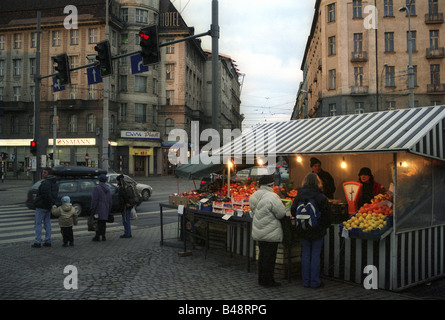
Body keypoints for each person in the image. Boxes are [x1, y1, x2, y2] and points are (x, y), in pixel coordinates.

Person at [291, 173, 331, 288]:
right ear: (318, 182)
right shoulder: (320, 196)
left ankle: (305, 281)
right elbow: (327, 215)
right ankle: (314, 281)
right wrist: (322, 225)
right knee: (315, 255)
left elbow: (293, 211)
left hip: (303, 230)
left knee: (305, 254)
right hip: (317, 230)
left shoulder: (299, 195)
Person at [249, 174, 286, 287]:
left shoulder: (253, 196)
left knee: (262, 255)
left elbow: (254, 210)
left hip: (259, 229)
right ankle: (268, 280)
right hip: (271, 231)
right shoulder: (273, 197)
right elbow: (281, 214)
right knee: (270, 258)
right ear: (271, 184)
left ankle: (261, 279)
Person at [32, 167, 58, 248]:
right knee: (47, 223)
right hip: (48, 206)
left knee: (38, 223)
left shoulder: (46, 183)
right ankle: (48, 240)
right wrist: (51, 204)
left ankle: (37, 241)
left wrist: (38, 200)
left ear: (48, 174)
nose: (43, 174)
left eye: (44, 172)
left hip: (42, 206)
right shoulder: (54, 183)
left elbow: (46, 195)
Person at [91, 174, 112, 241]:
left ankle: (97, 236)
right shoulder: (108, 188)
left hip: (98, 208)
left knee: (98, 223)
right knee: (103, 223)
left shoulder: (97, 188)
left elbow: (94, 200)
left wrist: (93, 208)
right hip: (106, 208)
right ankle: (103, 236)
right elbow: (110, 200)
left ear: (99, 180)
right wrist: (109, 208)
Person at [116, 174, 133, 238]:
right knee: (127, 220)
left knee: (125, 220)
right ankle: (128, 232)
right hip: (127, 206)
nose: (116, 182)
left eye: (117, 180)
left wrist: (127, 203)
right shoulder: (125, 187)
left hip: (125, 206)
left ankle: (127, 233)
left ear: (119, 181)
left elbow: (124, 197)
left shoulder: (121, 189)